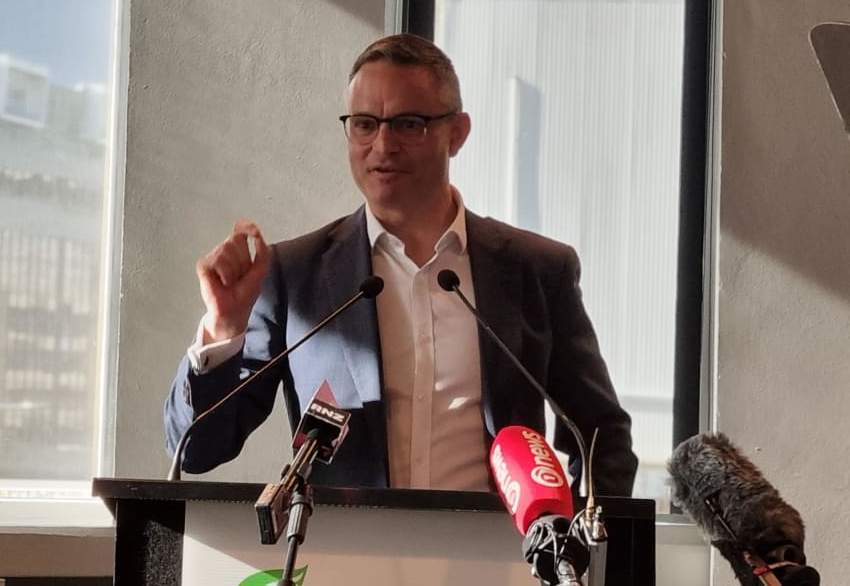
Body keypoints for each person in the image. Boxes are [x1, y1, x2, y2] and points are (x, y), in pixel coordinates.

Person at [164, 33, 637, 495]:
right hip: (348, 564)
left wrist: (572, 550)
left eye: (408, 124)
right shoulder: (293, 274)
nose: (382, 145)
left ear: (457, 133)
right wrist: (223, 328)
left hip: (494, 565)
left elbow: (601, 437)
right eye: (365, 124)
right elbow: (199, 450)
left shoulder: (538, 270)